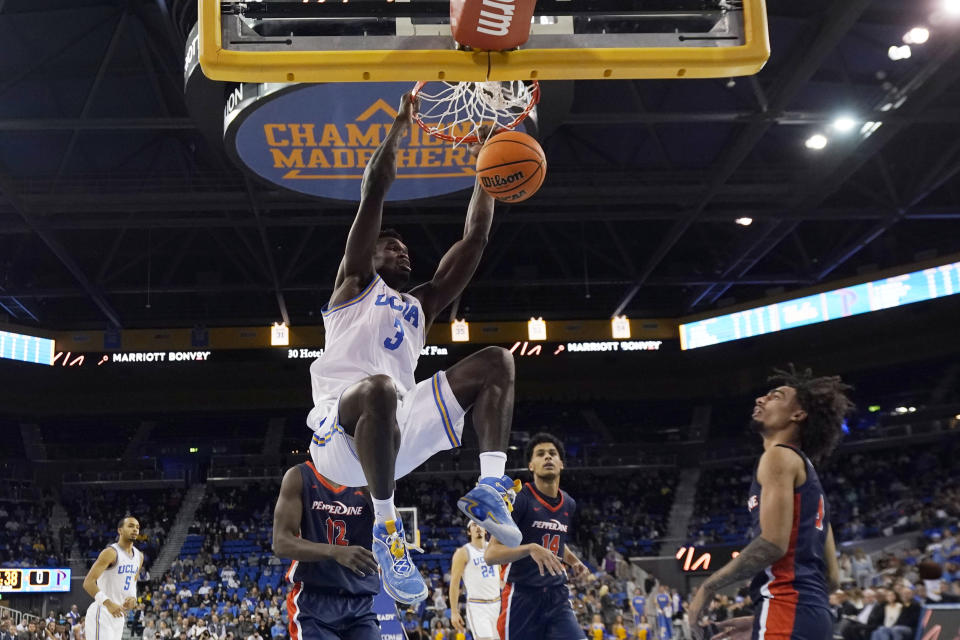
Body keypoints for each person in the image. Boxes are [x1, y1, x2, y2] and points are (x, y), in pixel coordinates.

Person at [305, 93, 522, 605]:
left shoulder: (420, 305)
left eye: (405, 248)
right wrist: (400, 125)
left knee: (498, 362)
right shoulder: (354, 283)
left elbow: (475, 237)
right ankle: (386, 532)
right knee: (379, 387)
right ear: (369, 253)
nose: (401, 250)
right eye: (390, 245)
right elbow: (373, 190)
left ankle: (491, 488)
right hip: (339, 434)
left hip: (396, 428)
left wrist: (488, 167)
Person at [688, 366, 853, 640]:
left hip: (786, 609)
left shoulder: (778, 457)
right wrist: (763, 620)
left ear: (798, 415)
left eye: (776, 396)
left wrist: (708, 586)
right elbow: (832, 579)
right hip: (813, 616)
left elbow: (773, 544)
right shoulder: (810, 478)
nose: (760, 399)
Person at [485, 433, 593, 640]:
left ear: (561, 463)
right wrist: (530, 548)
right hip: (521, 596)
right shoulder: (519, 500)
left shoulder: (568, 503)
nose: (548, 458)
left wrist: (573, 561)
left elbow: (554, 537)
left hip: (557, 596)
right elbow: (491, 554)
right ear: (531, 466)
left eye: (552, 454)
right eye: (540, 454)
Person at [272, 460, 380, 639]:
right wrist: (335, 551)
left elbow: (393, 527)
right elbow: (281, 542)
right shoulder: (299, 476)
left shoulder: (368, 476)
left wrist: (374, 494)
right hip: (314, 602)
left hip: (360, 600)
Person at [83, 516, 143, 640]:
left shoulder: (139, 556)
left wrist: (133, 598)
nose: (135, 530)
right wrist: (109, 603)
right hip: (103, 611)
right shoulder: (111, 552)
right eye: (131, 526)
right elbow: (88, 582)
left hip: (119, 614)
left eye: (137, 527)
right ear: (120, 530)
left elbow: (133, 581)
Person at [449, 522, 500, 640]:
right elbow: (454, 583)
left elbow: (499, 576)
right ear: (468, 532)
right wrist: (454, 612)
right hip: (478, 606)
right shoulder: (462, 552)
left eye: (480, 525)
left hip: (498, 604)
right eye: (474, 525)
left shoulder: (494, 549)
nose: (478, 527)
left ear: (485, 529)